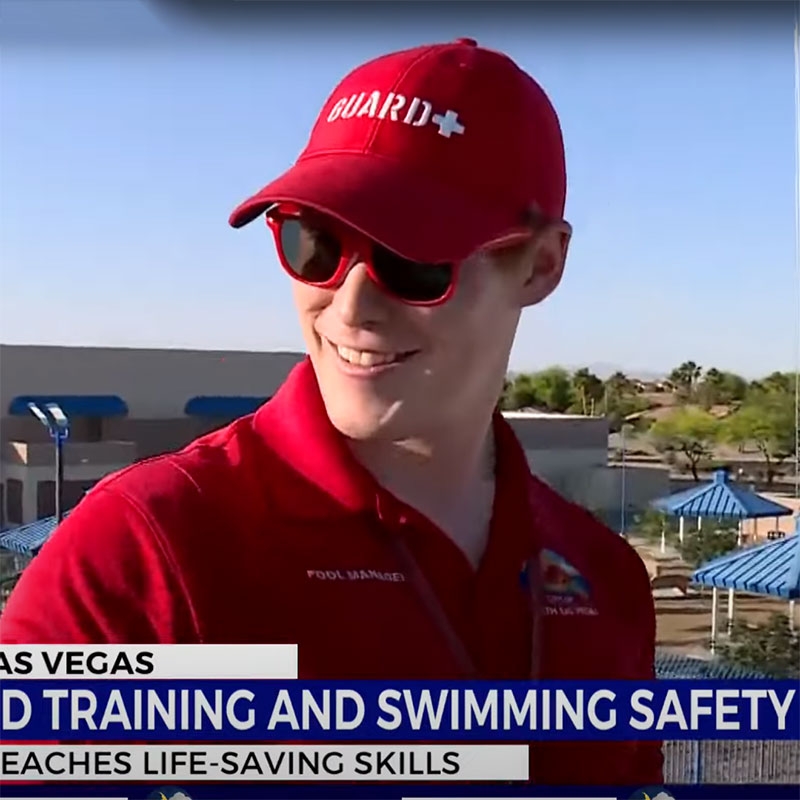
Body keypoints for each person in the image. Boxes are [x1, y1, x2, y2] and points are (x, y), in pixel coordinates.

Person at [1, 38, 662, 785]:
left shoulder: (603, 575)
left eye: (414, 259)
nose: (349, 307)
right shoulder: (151, 548)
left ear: (541, 265)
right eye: (315, 244)